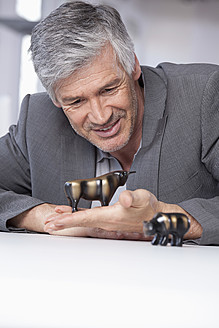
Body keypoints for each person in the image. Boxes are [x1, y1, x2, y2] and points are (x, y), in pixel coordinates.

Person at [0, 1, 218, 245]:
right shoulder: (37, 119)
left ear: (133, 65)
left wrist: (162, 221)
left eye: (109, 89)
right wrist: (43, 217)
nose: (101, 116)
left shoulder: (205, 95)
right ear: (56, 100)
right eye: (76, 101)